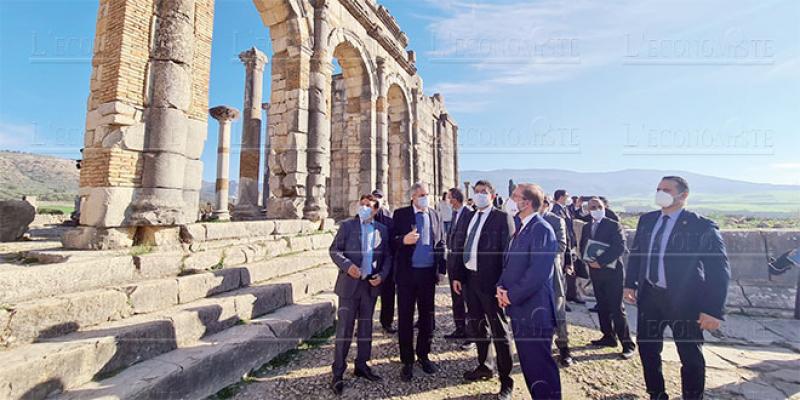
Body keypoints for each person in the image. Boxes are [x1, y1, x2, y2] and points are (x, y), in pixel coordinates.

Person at [624, 176, 731, 400]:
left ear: (683, 196)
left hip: (684, 301)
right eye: (658, 188)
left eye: (666, 189)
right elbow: (637, 254)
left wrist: (712, 310)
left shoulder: (701, 226)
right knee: (648, 349)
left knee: (690, 355)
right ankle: (656, 393)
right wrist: (630, 283)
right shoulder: (648, 220)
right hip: (650, 297)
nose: (660, 193)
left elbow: (718, 270)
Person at [450, 180, 515, 399]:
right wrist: (458, 275)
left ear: (492, 195)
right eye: (476, 192)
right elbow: (462, 246)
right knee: (477, 326)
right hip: (470, 279)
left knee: (499, 330)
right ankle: (485, 366)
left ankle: (506, 380)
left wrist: (503, 285)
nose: (479, 195)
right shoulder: (470, 216)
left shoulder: (501, 218)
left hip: (492, 283)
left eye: (484, 192)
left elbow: (509, 255)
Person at [497, 183, 561, 399]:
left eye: (515, 196)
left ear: (527, 202)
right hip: (520, 309)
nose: (511, 200)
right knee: (529, 366)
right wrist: (500, 287)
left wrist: (510, 295)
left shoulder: (542, 229)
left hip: (535, 311)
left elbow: (537, 273)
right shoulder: (521, 226)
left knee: (540, 368)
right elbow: (510, 264)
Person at [329, 194, 393, 395]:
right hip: (349, 286)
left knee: (366, 328)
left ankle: (362, 365)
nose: (364, 208)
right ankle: (338, 372)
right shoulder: (347, 226)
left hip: (369, 286)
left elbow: (388, 257)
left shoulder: (382, 230)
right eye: (362, 204)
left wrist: (382, 276)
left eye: (369, 206)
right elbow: (335, 250)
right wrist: (347, 266)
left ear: (375, 210)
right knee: (344, 330)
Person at [392, 182, 446, 382]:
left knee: (427, 318)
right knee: (405, 318)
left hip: (427, 275)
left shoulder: (435, 215)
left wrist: (442, 268)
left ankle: (424, 355)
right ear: (413, 197)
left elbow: (441, 242)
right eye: (422, 194)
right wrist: (402, 240)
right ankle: (407, 360)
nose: (425, 197)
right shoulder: (401, 214)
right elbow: (391, 240)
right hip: (407, 274)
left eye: (427, 194)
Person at [580, 197, 635, 359]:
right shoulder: (587, 227)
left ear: (605, 207)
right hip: (595, 273)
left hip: (612, 273)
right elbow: (583, 245)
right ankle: (608, 336)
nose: (596, 209)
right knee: (602, 305)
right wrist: (588, 260)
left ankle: (627, 343)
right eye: (592, 207)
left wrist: (601, 262)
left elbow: (620, 247)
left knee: (617, 308)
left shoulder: (613, 225)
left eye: (599, 206)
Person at [542, 196, 575, 367]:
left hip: (551, 272)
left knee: (557, 310)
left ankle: (563, 346)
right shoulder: (523, 219)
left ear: (546, 204)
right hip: (530, 273)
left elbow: (561, 246)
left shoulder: (556, 221)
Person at [444, 187, 473, 346]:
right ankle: (459, 328)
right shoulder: (455, 214)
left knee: (467, 298)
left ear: (455, 198)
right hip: (453, 260)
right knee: (456, 298)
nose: (448, 201)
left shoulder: (469, 214)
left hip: (464, 263)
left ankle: (471, 334)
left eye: (449, 198)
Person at [372, 189, 398, 334]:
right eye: (375, 197)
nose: (377, 199)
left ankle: (387, 322)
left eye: (379, 197)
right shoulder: (367, 215)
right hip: (371, 261)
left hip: (387, 261)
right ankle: (364, 323)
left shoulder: (390, 217)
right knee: (368, 296)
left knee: (388, 294)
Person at [553, 190, 582, 307]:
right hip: (564, 246)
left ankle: (572, 295)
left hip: (570, 243)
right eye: (566, 196)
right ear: (561, 197)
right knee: (563, 274)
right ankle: (562, 302)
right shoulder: (556, 210)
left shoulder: (565, 209)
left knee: (571, 272)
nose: (568, 198)